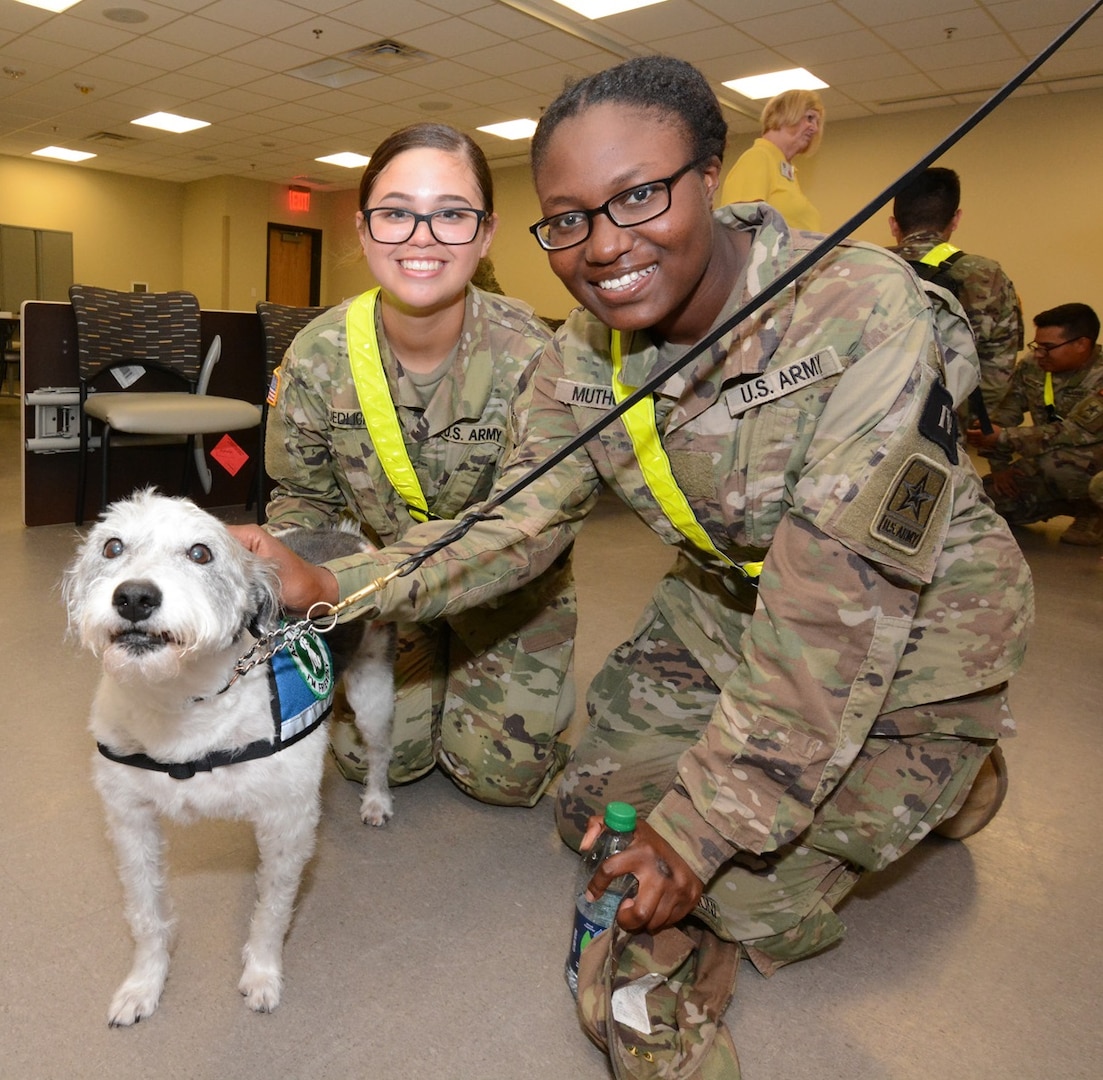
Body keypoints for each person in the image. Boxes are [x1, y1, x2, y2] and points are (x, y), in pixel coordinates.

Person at [234, 58, 1032, 1072]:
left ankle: (954, 773)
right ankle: (769, 771)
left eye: (638, 196)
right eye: (566, 218)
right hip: (724, 606)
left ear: (709, 175)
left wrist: (697, 835)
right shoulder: (584, 356)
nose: (603, 245)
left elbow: (832, 617)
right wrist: (338, 584)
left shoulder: (860, 315)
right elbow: (516, 520)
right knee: (588, 814)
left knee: (732, 882)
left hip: (907, 631)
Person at [261, 122, 578, 807]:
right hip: (376, 594)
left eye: (451, 215)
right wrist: (303, 582)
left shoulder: (536, 355)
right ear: (365, 228)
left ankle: (509, 687)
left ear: (486, 232)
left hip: (505, 595)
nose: (421, 237)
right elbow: (301, 499)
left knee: (500, 780)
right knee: (376, 762)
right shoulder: (318, 356)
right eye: (397, 212)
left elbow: (534, 529)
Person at [889, 166, 1024, 419]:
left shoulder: (864, 268)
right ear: (956, 219)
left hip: (867, 424)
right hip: (943, 424)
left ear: (893, 224)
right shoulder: (987, 276)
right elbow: (997, 371)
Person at [966, 302, 1103, 546]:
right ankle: (1065, 501)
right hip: (1051, 458)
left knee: (1057, 463)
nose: (1039, 353)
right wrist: (999, 466)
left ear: (1082, 344)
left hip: (1086, 464)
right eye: (1037, 346)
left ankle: (1093, 513)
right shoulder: (1034, 366)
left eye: (1048, 348)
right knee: (988, 498)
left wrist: (1003, 437)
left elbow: (1073, 432)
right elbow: (1007, 412)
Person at [720, 88, 823, 230]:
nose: (815, 128)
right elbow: (742, 229)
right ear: (784, 114)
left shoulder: (785, 170)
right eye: (810, 118)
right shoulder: (758, 157)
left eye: (817, 122)